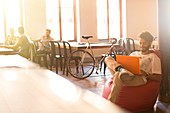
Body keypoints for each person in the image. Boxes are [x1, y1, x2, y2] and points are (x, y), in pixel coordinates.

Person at [104, 31, 162, 103]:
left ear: (150, 43)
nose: (141, 45)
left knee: (117, 75)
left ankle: (110, 103)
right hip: (126, 74)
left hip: (139, 78)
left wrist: (144, 74)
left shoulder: (153, 57)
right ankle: (120, 69)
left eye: (144, 43)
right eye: (140, 43)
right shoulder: (134, 53)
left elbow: (158, 77)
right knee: (108, 58)